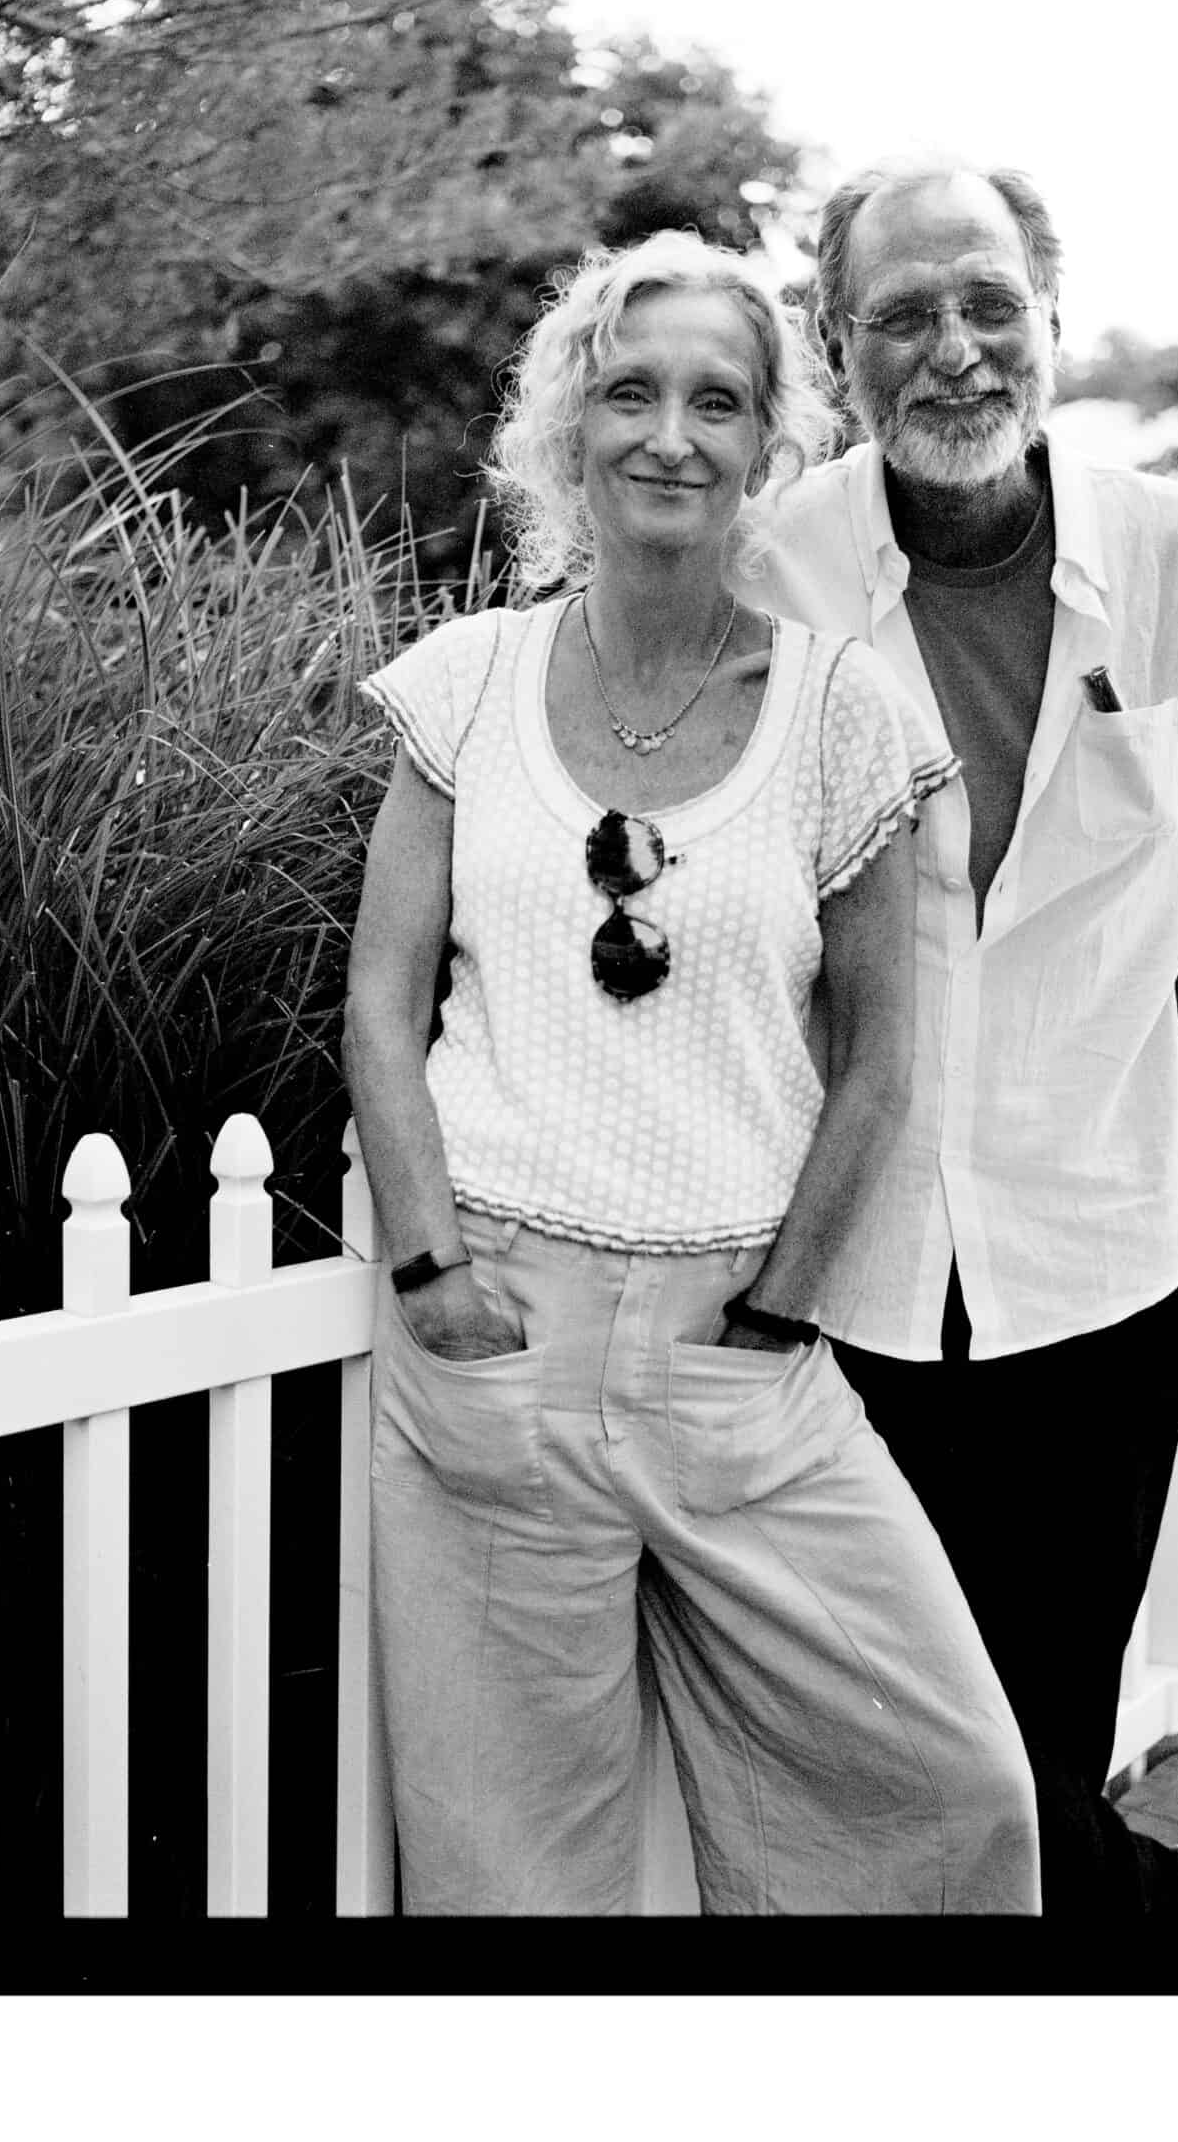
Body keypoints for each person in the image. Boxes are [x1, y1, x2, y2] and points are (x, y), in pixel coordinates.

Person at [343, 230, 1039, 1916]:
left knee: (958, 1794)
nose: (672, 435)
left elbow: (888, 1053)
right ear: (569, 428)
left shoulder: (844, 715)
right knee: (515, 1870)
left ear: (768, 447)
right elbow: (380, 1002)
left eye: (716, 402)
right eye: (631, 393)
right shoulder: (466, 684)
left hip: (741, 1355)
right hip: (492, 1327)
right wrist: (431, 1267)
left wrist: (784, 1311)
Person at [742, 164, 1178, 1922]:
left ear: (1051, 320)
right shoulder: (773, 566)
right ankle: (1108, 1898)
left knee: (1049, 1702)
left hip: (1109, 1241)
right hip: (855, 1252)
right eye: (901, 316)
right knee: (903, 1728)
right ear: (838, 344)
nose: (953, 353)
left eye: (989, 306)